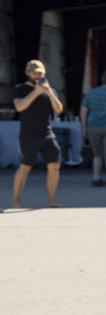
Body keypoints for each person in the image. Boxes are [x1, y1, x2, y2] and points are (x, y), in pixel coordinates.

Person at [11, 59, 65, 208]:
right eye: (35, 73)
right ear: (28, 73)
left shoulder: (49, 90)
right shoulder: (20, 89)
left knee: (54, 165)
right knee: (25, 166)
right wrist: (36, 92)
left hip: (47, 133)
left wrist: (48, 92)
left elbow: (59, 109)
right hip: (28, 135)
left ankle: (51, 200)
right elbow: (20, 107)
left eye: (40, 73)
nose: (38, 76)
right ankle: (16, 201)